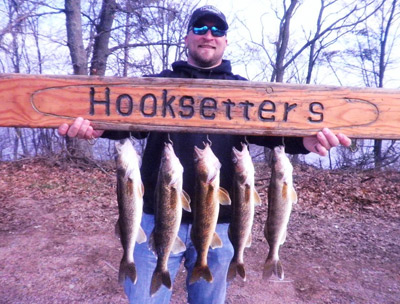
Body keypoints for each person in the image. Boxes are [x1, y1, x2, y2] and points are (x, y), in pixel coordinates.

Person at [58, 5, 351, 304]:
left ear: (225, 40)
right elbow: (124, 120)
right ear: (187, 37)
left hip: (222, 223)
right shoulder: (157, 86)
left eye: (217, 30)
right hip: (156, 218)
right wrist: (97, 128)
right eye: (200, 29)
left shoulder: (244, 93)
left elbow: (276, 131)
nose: (208, 35)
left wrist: (305, 142)